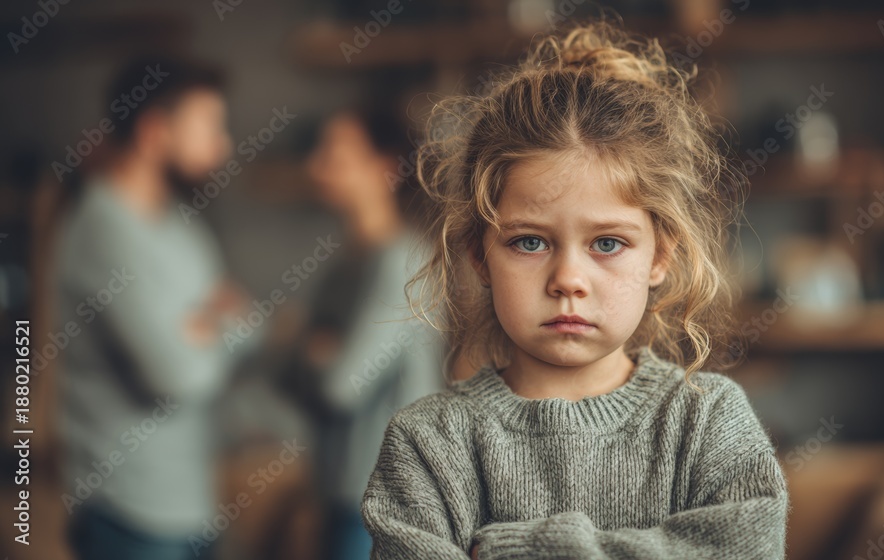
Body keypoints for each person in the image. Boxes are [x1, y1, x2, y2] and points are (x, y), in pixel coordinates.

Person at [360, 19, 790, 559]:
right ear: (479, 257)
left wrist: (522, 551)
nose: (568, 279)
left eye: (607, 243)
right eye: (529, 242)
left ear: (660, 256)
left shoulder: (708, 421)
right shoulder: (428, 442)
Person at [52, 54, 260, 560]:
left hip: (191, 506)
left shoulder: (183, 227)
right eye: (208, 126)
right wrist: (214, 322)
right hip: (128, 514)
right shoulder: (103, 231)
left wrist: (201, 328)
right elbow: (175, 375)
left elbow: (252, 323)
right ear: (154, 131)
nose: (224, 145)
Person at [289, 111, 446, 559]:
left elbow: (341, 386)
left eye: (335, 155)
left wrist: (307, 347)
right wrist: (312, 351)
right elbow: (285, 373)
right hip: (340, 492)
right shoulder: (342, 266)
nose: (317, 167)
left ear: (385, 167)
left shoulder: (404, 262)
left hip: (383, 501)